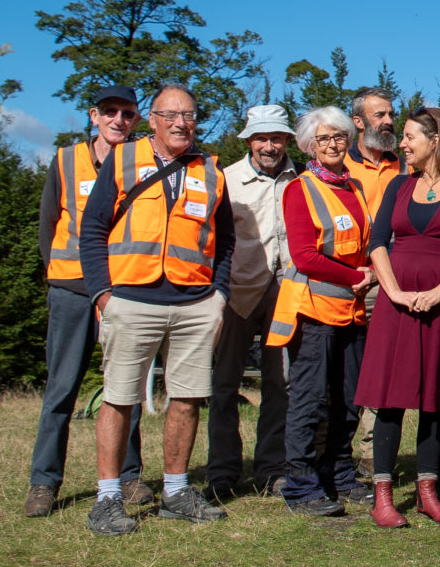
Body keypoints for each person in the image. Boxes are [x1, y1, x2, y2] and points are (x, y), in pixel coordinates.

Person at [79, 83, 236, 536]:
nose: (181, 123)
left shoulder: (212, 171)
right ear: (152, 120)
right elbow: (92, 230)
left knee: (187, 397)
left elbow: (226, 240)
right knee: (119, 398)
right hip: (130, 299)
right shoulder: (122, 160)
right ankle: (108, 499)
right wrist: (102, 293)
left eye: (188, 115)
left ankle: (176, 492)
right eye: (170, 115)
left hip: (195, 303)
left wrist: (219, 295)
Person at [356, 108, 440, 529]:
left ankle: (428, 492)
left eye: (410, 136)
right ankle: (382, 497)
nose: (402, 144)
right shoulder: (398, 185)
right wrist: (393, 290)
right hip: (397, 303)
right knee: (389, 397)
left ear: (436, 140)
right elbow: (378, 242)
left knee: (439, 398)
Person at [26, 83, 147, 517]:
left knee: (125, 388)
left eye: (127, 113)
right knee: (61, 388)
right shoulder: (65, 160)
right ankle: (44, 482)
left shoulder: (141, 162)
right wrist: (60, 275)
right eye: (110, 111)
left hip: (124, 289)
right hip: (72, 290)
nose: (118, 120)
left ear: (137, 119)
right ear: (93, 116)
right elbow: (48, 224)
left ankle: (129, 477)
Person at [263, 107, 374, 516]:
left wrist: (369, 270)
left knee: (348, 399)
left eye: (339, 137)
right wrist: (358, 276)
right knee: (310, 402)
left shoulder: (354, 188)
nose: (332, 144)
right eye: (323, 138)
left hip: (351, 310)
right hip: (312, 311)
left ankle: (339, 475)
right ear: (309, 145)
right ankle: (301, 486)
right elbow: (305, 256)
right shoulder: (300, 189)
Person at [206, 104, 297, 501]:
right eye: (261, 138)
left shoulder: (303, 179)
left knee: (281, 384)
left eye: (276, 138)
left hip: (286, 293)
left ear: (288, 140)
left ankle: (272, 470)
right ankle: (223, 472)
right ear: (248, 141)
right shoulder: (225, 180)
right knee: (224, 384)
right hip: (236, 292)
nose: (269, 146)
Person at [345, 87, 405, 224]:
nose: (389, 121)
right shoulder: (341, 166)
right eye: (380, 115)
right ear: (358, 122)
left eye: (391, 115)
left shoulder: (404, 166)